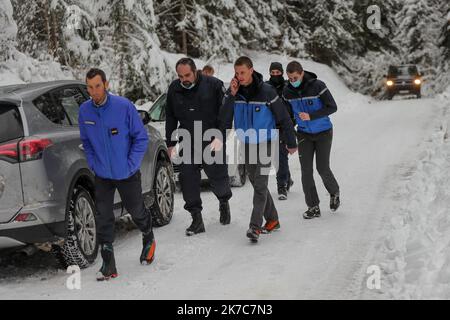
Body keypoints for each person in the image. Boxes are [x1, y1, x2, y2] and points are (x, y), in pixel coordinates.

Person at [78, 68, 155, 281]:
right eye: (90, 87)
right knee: (103, 214)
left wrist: (131, 164)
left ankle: (148, 236)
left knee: (136, 209)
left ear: (106, 84)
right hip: (102, 173)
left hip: (127, 171)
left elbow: (140, 138)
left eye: (97, 86)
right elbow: (86, 142)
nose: (94, 91)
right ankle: (108, 262)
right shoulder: (85, 111)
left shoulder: (123, 107)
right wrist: (93, 163)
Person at [220, 56, 297, 242]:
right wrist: (231, 94)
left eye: (243, 73)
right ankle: (273, 219)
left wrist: (291, 141)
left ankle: (254, 227)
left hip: (265, 142)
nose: (239, 76)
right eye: (237, 73)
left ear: (251, 70)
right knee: (255, 181)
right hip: (246, 143)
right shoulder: (235, 93)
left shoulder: (267, 91)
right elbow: (224, 116)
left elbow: (283, 116)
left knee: (260, 184)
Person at [166, 58, 232, 236]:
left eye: (187, 75)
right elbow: (171, 116)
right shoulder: (174, 89)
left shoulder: (214, 85)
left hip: (211, 139)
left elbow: (226, 114)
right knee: (187, 178)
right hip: (187, 140)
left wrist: (220, 136)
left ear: (195, 71)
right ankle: (196, 219)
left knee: (218, 176)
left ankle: (223, 202)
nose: (184, 79)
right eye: (180, 76)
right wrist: (170, 143)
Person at [283, 61, 341, 219]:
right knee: (306, 172)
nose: (292, 81)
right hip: (303, 134)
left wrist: (311, 116)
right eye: (289, 78)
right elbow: (288, 116)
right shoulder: (287, 92)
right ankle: (313, 206)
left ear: (302, 73)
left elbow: (332, 107)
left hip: (323, 132)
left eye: (295, 77)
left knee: (322, 168)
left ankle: (334, 192)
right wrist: (288, 134)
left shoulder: (317, 86)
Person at [266, 62, 294, 200]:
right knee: (276, 155)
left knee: (280, 156)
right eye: (273, 72)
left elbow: (294, 104)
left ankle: (281, 186)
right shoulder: (265, 87)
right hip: (269, 125)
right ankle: (287, 177)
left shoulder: (288, 87)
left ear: (282, 73)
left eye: (278, 72)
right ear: (270, 73)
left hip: (285, 125)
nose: (275, 75)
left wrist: (292, 121)